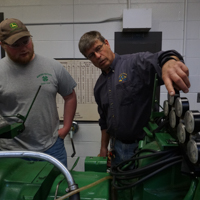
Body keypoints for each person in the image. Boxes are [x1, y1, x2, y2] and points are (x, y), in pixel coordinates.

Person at [78, 31, 190, 166]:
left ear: (106, 43)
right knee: (119, 184)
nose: (97, 56)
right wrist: (103, 148)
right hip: (116, 149)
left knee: (141, 186)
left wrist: (169, 62)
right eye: (91, 55)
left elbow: (162, 57)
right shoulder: (99, 87)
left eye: (98, 48)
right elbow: (104, 122)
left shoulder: (135, 63)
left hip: (145, 148)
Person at [0, 18, 77, 168]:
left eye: (26, 41)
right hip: (11, 152)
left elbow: (70, 96)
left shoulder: (53, 66)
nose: (23, 48)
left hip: (52, 149)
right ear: (2, 45)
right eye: (16, 45)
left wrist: (66, 128)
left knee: (58, 190)